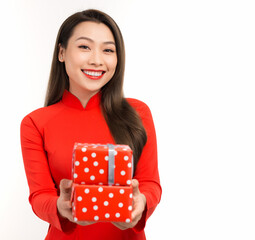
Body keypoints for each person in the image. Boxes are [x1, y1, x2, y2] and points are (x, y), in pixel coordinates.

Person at [20, 9, 161, 240]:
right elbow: (40, 195)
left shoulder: (138, 113)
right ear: (62, 52)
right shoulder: (35, 123)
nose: (97, 59)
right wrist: (60, 206)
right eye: (85, 47)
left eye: (107, 50)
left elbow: (150, 183)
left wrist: (141, 202)